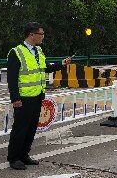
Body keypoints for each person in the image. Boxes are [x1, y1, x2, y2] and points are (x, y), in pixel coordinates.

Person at [6, 22, 72, 170]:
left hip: (37, 96)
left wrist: (62, 63)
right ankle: (14, 158)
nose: (43, 36)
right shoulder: (16, 52)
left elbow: (46, 68)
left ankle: (24, 155)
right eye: (41, 34)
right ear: (32, 35)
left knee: (31, 128)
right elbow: (12, 78)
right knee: (20, 128)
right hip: (23, 98)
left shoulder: (39, 51)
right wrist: (15, 98)